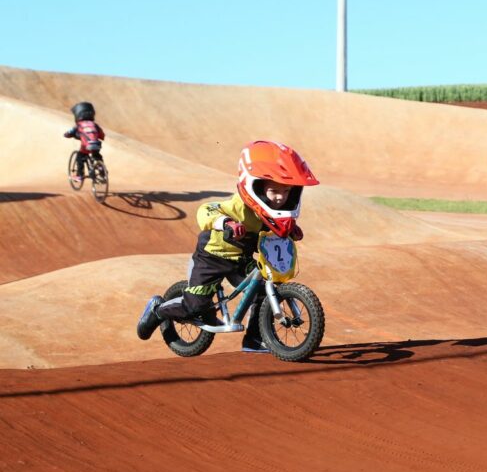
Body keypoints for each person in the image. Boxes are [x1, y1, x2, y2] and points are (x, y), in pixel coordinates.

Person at [135, 140, 318, 352]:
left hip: (241, 259)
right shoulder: (239, 205)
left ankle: (255, 340)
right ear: (257, 188)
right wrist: (226, 223)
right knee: (195, 306)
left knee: (261, 292)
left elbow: (274, 228)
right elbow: (207, 209)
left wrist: (291, 231)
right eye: (274, 191)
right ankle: (157, 310)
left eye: (286, 192)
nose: (280, 198)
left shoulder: (268, 210)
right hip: (212, 257)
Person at [63, 101, 105, 182]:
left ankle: (80, 175)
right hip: (96, 144)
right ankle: (101, 169)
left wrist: (66, 135)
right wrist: (100, 137)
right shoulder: (94, 124)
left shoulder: (79, 125)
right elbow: (101, 134)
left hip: (86, 145)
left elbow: (69, 133)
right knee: (97, 155)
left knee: (80, 157)